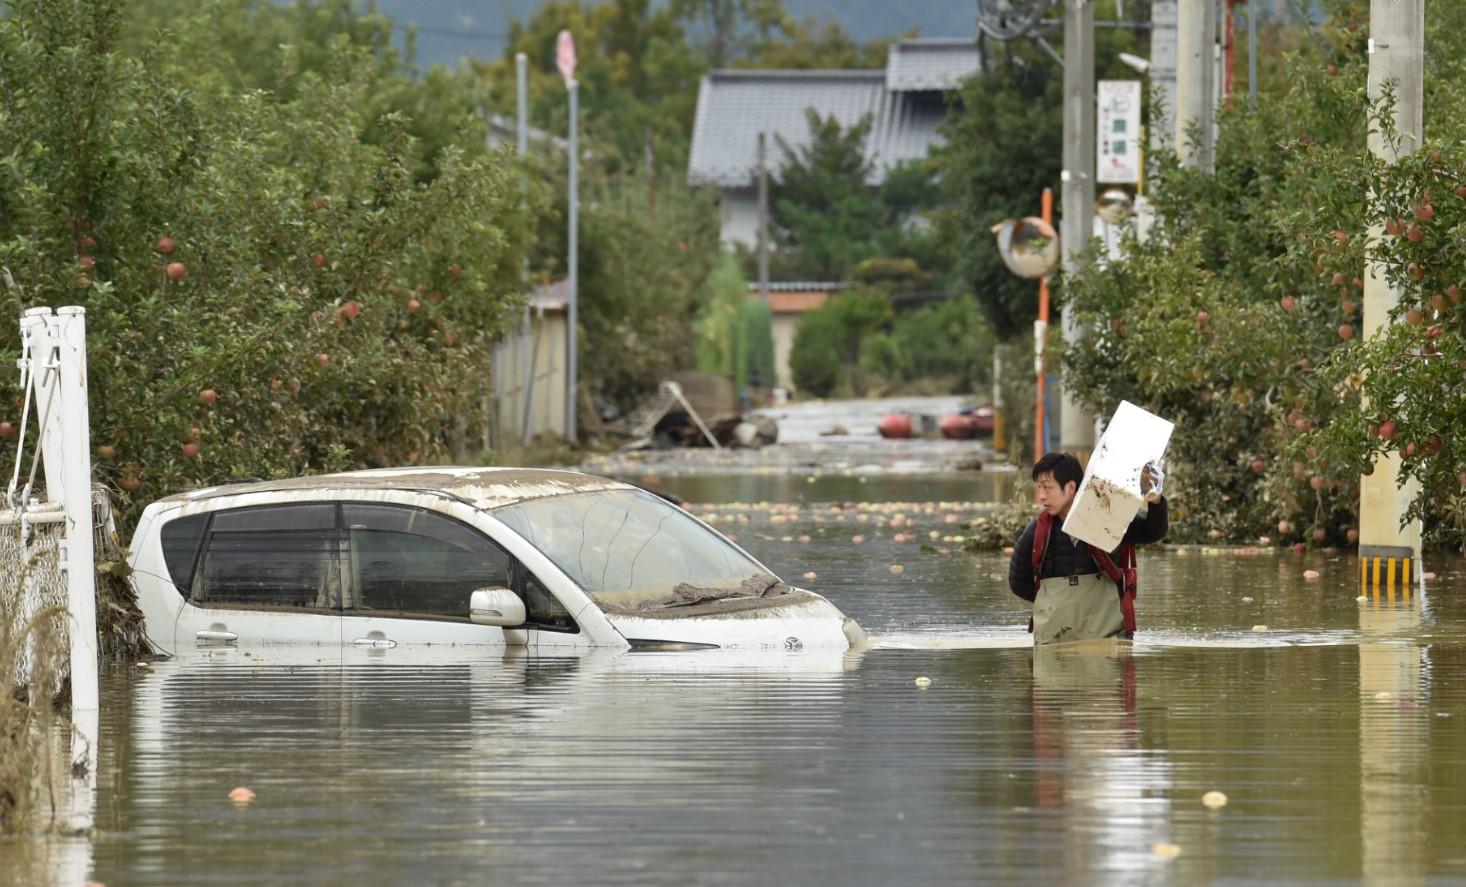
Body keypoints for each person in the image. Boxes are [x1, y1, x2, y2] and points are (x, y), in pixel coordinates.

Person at [1008, 452, 1168, 645]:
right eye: (1039, 488)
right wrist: (1053, 605)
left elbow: (1152, 532)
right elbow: (1018, 582)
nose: (1041, 496)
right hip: (1055, 640)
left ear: (1070, 487)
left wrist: (1156, 501)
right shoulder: (1038, 531)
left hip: (1109, 636)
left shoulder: (1107, 517)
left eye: (1048, 488)